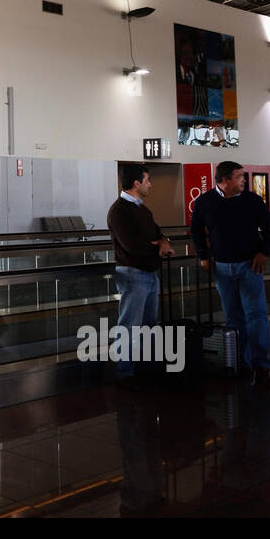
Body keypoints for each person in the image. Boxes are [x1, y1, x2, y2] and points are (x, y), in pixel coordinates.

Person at [190, 160, 270, 388]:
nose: (244, 180)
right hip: (222, 269)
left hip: (250, 267)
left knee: (256, 316)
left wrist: (265, 252)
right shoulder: (205, 202)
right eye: (239, 177)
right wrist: (203, 255)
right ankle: (240, 363)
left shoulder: (253, 201)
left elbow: (269, 229)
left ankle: (261, 364)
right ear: (225, 180)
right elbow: (196, 230)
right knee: (233, 318)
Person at [107, 163, 173, 388]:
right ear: (137, 183)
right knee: (129, 325)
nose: (150, 185)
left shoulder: (142, 210)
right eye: (147, 181)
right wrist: (158, 247)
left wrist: (162, 242)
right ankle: (125, 372)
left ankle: (146, 368)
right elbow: (132, 246)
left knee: (147, 324)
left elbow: (157, 234)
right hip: (132, 275)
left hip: (148, 274)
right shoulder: (119, 211)